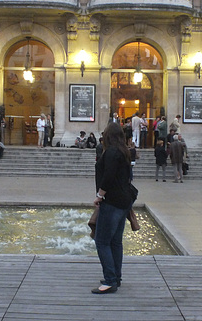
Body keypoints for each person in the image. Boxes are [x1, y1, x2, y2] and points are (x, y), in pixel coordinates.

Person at [92, 121, 133, 294]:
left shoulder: (111, 153)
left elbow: (108, 177)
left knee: (102, 241)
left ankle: (110, 280)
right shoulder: (124, 152)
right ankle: (116, 276)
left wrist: (99, 195)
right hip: (124, 201)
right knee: (116, 241)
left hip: (112, 201)